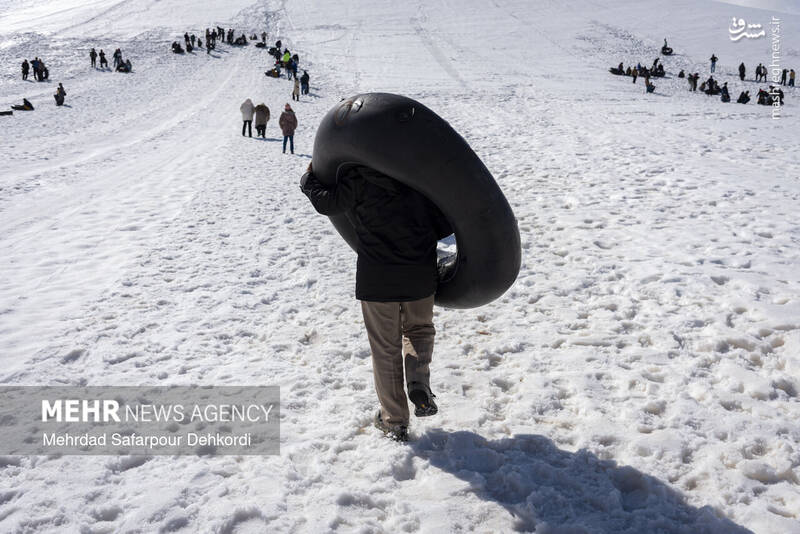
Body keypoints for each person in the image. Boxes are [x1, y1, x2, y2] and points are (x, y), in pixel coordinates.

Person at [299, 163, 451, 442]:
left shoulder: (361, 178)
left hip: (377, 277)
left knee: (386, 349)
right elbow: (446, 221)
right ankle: (418, 382)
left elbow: (327, 203)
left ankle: (395, 421)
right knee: (419, 330)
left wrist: (308, 179)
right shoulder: (424, 174)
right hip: (419, 274)